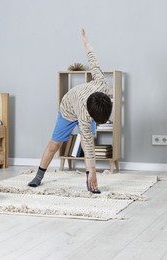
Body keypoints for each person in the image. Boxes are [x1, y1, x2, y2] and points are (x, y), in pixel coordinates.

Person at [28, 29, 112, 193]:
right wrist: (95, 171)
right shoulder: (83, 110)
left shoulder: (104, 86)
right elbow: (86, 141)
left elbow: (93, 61)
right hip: (68, 107)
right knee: (55, 144)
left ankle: (90, 182)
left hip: (86, 105)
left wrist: (86, 42)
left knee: (88, 140)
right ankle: (38, 176)